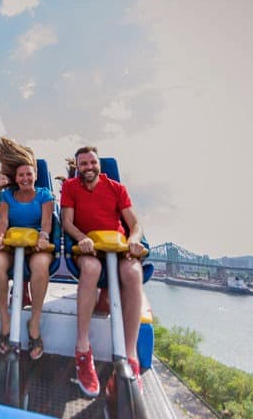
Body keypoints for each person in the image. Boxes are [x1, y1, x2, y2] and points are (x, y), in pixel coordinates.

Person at [60, 146, 147, 397]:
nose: (88, 167)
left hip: (117, 246)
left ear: (99, 164)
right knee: (90, 268)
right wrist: (81, 238)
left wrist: (133, 239)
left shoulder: (116, 188)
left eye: (92, 163)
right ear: (78, 167)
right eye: (83, 164)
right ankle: (83, 350)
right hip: (88, 246)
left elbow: (135, 224)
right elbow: (67, 221)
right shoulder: (71, 187)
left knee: (133, 272)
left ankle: (130, 357)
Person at [0, 137, 54, 360]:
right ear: (15, 178)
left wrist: (43, 237)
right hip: (12, 241)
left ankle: (34, 322)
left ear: (35, 175)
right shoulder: (7, 195)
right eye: (21, 175)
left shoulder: (45, 195)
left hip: (36, 242)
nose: (25, 178)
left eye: (29, 174)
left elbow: (46, 222)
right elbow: (3, 221)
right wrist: (0, 237)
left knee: (41, 265)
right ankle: (5, 321)